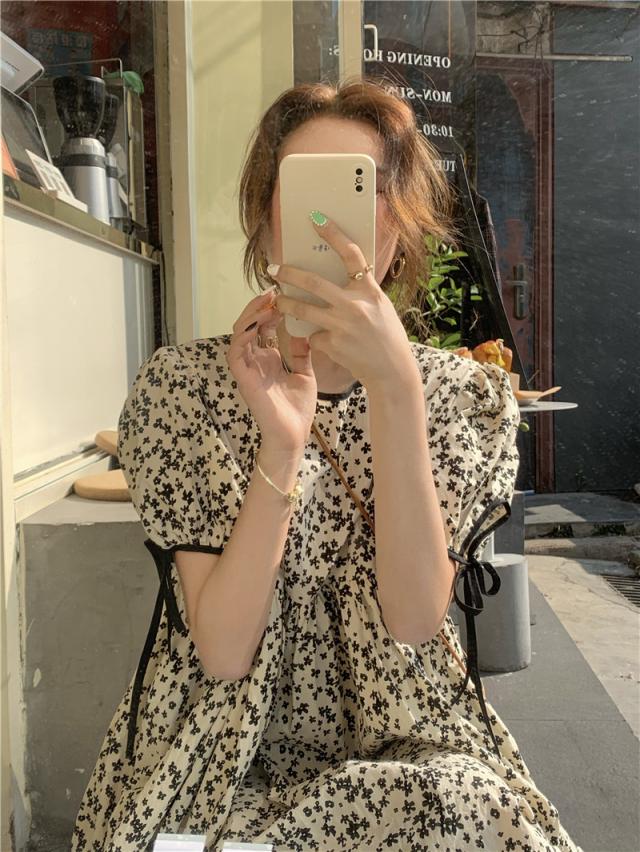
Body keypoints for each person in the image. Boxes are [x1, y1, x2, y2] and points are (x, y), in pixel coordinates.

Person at [72, 78, 582, 852]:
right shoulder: (187, 388)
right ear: (264, 220)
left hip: (406, 743)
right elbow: (224, 651)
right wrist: (282, 444)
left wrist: (397, 393)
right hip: (221, 753)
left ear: (398, 226)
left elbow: (413, 620)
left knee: (472, 811)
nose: (330, 220)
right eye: (305, 189)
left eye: (361, 189)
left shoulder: (456, 398)